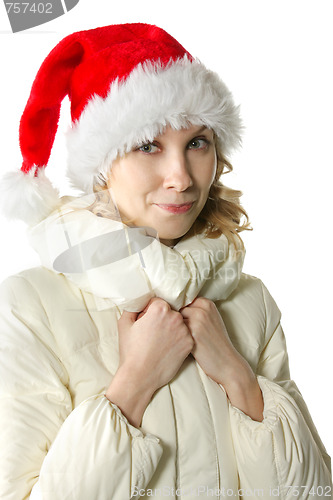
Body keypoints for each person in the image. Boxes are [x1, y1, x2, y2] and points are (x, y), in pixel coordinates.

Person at [0, 23, 331, 500]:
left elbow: (313, 493)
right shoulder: (30, 306)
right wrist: (133, 384)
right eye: (148, 145)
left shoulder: (250, 301)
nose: (181, 177)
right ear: (101, 165)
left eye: (197, 142)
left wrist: (238, 377)